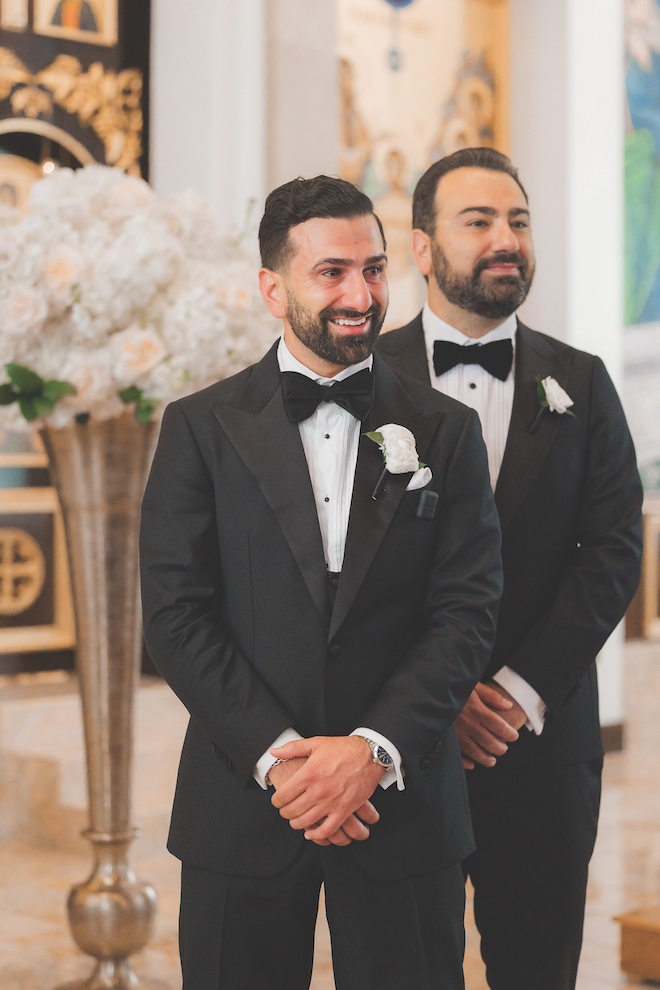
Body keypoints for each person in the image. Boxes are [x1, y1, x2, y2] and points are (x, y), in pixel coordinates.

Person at [140, 174, 503, 990]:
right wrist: (284, 761)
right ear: (273, 288)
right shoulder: (199, 428)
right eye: (331, 271)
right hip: (245, 803)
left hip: (401, 806)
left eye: (374, 270)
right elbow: (176, 616)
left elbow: (467, 613)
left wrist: (373, 752)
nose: (360, 294)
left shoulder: (447, 430)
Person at [377, 147, 644, 990]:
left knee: (538, 970)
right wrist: (435, 700)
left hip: (540, 747)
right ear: (421, 248)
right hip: (399, 747)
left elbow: (611, 555)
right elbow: (337, 568)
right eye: (479, 221)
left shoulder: (584, 383)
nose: (506, 239)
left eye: (519, 222)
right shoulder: (361, 381)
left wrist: (516, 693)